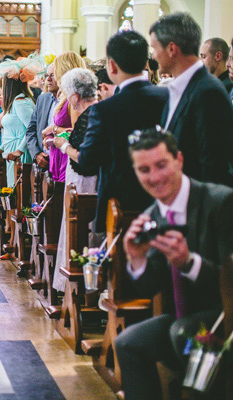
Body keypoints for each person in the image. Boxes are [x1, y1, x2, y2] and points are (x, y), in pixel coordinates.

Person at [115, 127, 232, 400]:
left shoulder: (220, 202)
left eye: (161, 165)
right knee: (129, 343)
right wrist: (137, 258)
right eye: (144, 170)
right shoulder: (152, 215)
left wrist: (189, 263)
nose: (154, 177)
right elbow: (147, 288)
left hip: (225, 314)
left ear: (179, 160)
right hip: (182, 318)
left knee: (183, 333)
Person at [77, 30, 168, 233]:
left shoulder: (104, 109)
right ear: (146, 63)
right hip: (161, 203)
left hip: (118, 210)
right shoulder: (168, 97)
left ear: (112, 66)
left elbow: (87, 162)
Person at [150, 12, 233, 187]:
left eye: (155, 48)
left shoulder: (207, 91)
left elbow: (213, 166)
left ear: (172, 49)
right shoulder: (177, 87)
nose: (154, 56)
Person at [50, 68, 99, 292]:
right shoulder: (97, 113)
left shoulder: (89, 115)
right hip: (86, 179)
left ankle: (82, 288)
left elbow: (84, 156)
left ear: (75, 96)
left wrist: (63, 145)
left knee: (79, 230)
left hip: (84, 182)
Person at [43, 52, 86, 183]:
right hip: (57, 155)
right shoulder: (64, 95)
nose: (53, 76)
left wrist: (54, 129)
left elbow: (76, 132)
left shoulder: (75, 97)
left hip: (66, 156)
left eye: (55, 72)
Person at [7, 62, 59, 169]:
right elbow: (31, 130)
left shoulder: (70, 102)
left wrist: (19, 150)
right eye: (46, 76)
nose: (48, 79)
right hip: (42, 161)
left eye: (52, 75)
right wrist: (36, 153)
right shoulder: (43, 99)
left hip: (61, 160)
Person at [0, 58, 36, 187]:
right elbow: (14, 128)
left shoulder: (21, 102)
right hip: (11, 151)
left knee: (18, 192)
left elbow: (31, 129)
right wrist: (1, 148)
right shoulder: (15, 102)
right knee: (12, 190)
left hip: (19, 154)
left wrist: (19, 151)